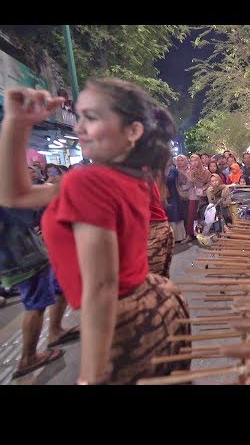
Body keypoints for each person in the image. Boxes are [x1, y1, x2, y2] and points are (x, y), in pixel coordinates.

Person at [0, 79, 191, 385]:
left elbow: (101, 286)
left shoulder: (89, 182)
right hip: (150, 306)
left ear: (133, 131)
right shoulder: (121, 174)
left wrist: (90, 377)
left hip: (123, 320)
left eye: (91, 117)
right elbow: (15, 196)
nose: (78, 128)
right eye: (79, 116)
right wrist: (17, 123)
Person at [1, 205, 78, 379]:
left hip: (20, 252)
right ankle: (28, 358)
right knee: (36, 304)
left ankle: (56, 331)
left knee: (57, 285)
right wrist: (52, 194)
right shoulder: (5, 188)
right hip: (21, 255)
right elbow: (29, 214)